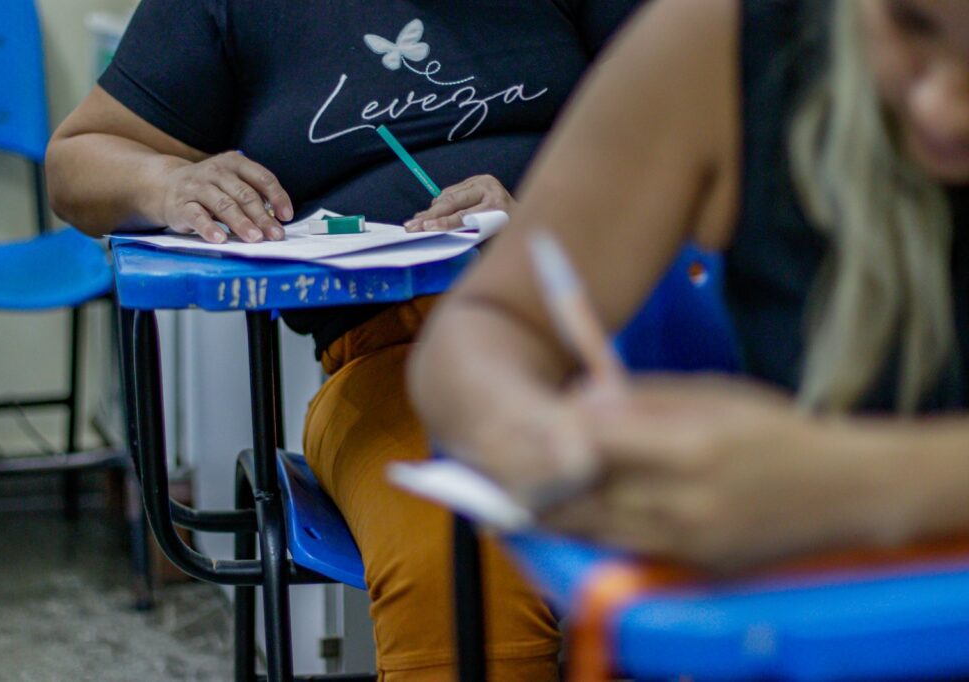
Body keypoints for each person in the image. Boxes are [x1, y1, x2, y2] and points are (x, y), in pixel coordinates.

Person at [45, 1, 644, 678]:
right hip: (398, 360)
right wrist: (168, 182)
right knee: (461, 547)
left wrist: (552, 209)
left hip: (624, 329)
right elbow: (76, 161)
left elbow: (706, 136)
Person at [411, 0, 969, 574]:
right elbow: (490, 321)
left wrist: (852, 484)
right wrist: (535, 434)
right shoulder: (727, 36)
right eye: (911, 25)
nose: (943, 108)